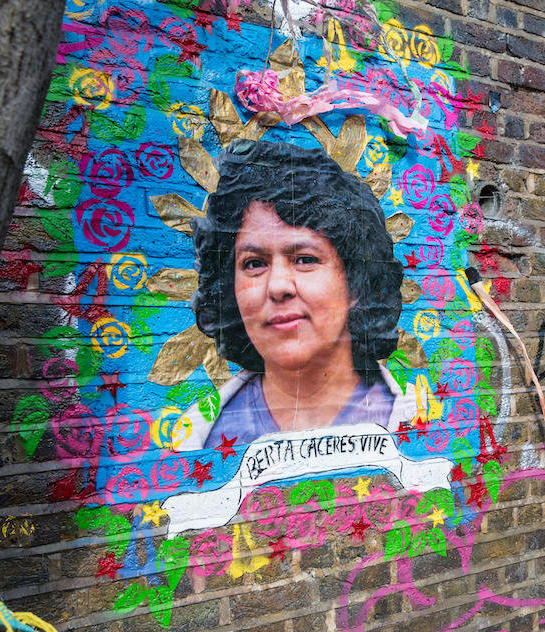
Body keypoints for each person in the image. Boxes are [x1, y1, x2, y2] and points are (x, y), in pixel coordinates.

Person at [174, 138, 413, 452]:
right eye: (254, 263)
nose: (278, 287)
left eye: (305, 259)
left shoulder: (420, 419)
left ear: (355, 282)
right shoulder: (198, 438)